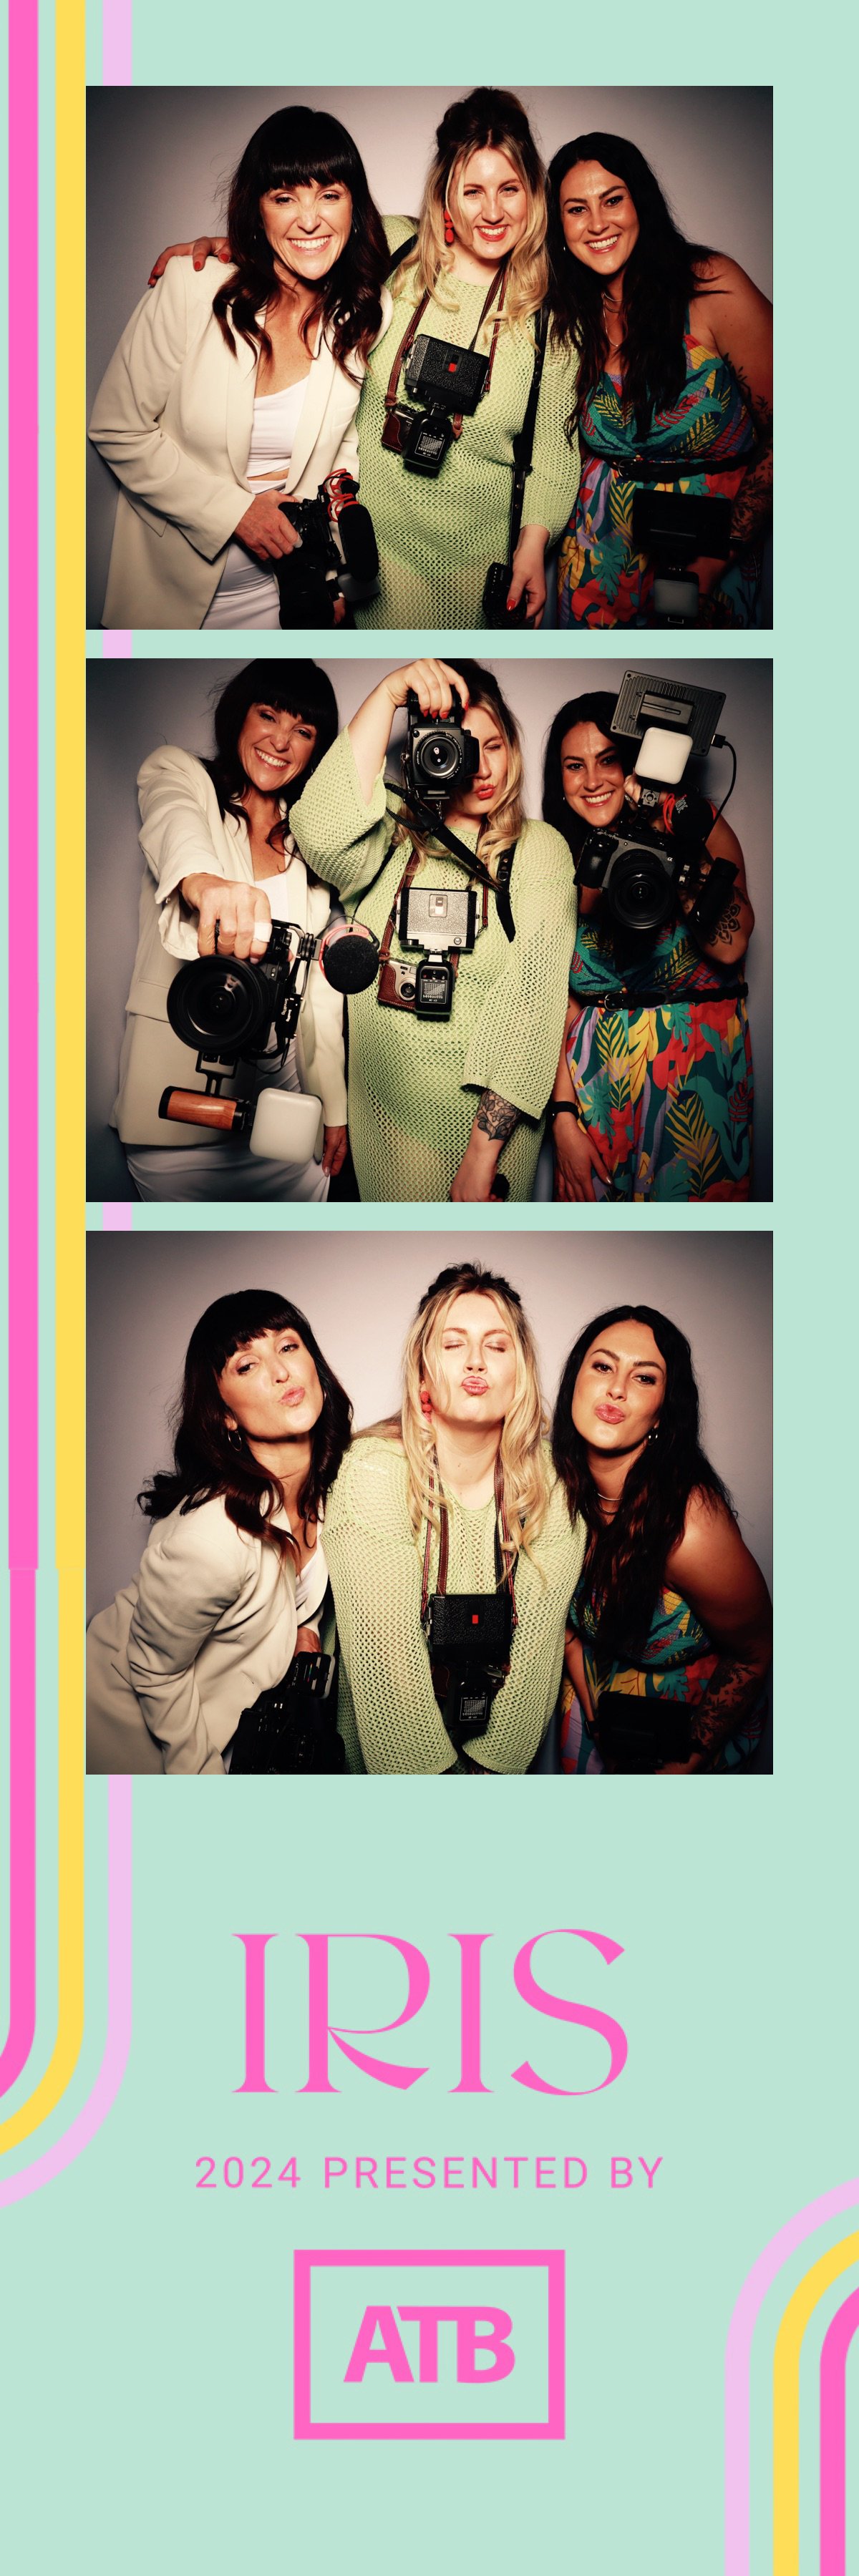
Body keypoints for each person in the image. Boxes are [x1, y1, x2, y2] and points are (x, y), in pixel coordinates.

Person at [146, 88, 581, 628]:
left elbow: (555, 455)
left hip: (478, 566)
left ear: (532, 192)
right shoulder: (393, 249)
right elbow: (307, 240)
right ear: (446, 194)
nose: (492, 212)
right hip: (369, 562)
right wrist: (227, 249)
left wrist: (533, 548)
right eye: (473, 191)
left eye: (509, 189)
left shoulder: (554, 317)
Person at [89, 107, 391, 628]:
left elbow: (340, 446)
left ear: (355, 207)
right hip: (170, 600)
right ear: (258, 209)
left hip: (288, 598)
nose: (310, 219)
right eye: (284, 198)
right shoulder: (192, 286)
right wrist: (235, 513)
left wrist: (333, 575)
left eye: (330, 195)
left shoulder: (365, 309)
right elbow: (118, 429)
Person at [291, 658, 576, 1202]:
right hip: (386, 1119)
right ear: (431, 750)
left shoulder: (537, 849)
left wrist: (481, 1156)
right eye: (465, 749)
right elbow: (319, 835)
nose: (485, 769)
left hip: (489, 1128)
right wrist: (388, 692)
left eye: (496, 746)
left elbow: (532, 1004)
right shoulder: (392, 832)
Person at [324, 1264, 586, 1774]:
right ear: (423, 1371)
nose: (475, 1361)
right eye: (452, 1344)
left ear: (521, 1372)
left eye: (497, 1346)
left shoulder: (552, 1479)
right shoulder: (372, 1469)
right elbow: (386, 1665)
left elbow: (535, 1657)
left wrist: (489, 1776)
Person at [87, 1292, 352, 1775]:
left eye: (288, 1347)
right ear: (226, 1413)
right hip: (111, 1732)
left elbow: (289, 1595)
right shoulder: (214, 1535)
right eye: (247, 1365)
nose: (281, 1372)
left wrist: (304, 1630)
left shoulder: (333, 1493)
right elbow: (153, 1671)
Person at [112, 660, 349, 1203]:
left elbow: (317, 998)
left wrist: (332, 1109)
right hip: (176, 1114)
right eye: (268, 715)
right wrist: (204, 884)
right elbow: (174, 820)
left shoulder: (310, 841)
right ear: (239, 715)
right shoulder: (182, 775)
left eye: (303, 731)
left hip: (287, 1119)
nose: (281, 742)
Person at [545, 132, 772, 628]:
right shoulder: (569, 311)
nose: (597, 223)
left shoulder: (710, 287)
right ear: (559, 226)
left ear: (640, 204)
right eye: (577, 210)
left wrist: (717, 558)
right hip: (594, 562)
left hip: (706, 559)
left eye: (612, 200)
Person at [543, 691, 754, 1201]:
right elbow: (555, 1004)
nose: (592, 781)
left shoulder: (695, 824)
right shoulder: (554, 857)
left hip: (700, 1073)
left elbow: (730, 948)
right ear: (560, 781)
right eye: (574, 766)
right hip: (599, 1081)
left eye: (608, 760)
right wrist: (564, 1117)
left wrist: (668, 838)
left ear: (634, 763)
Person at [550, 1306, 772, 1773]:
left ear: (661, 1415)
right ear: (575, 1383)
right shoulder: (553, 1490)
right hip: (594, 1718)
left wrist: (684, 1766)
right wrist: (590, 1703)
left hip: (685, 1732)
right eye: (603, 1366)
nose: (617, 1388)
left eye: (644, 1378)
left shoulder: (689, 1527)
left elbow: (755, 1653)